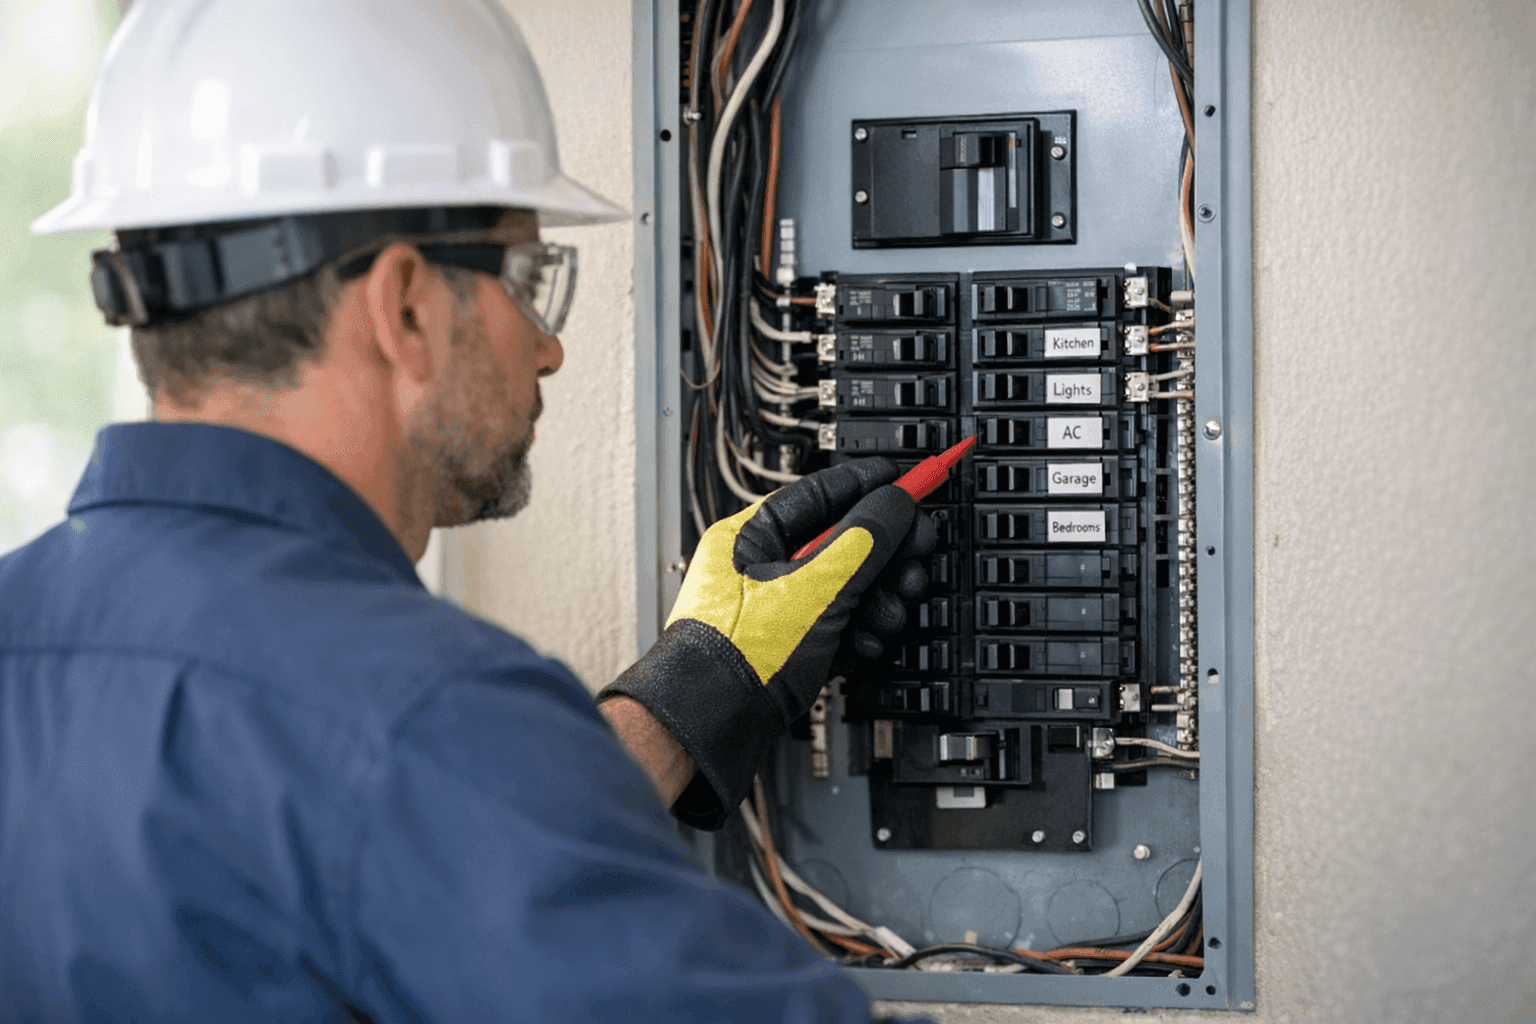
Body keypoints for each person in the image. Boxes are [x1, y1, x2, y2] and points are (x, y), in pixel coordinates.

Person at [0, 2, 932, 1021]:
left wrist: (687, 697)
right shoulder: (422, 713)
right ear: (404, 306)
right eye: (528, 277)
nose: (548, 346)